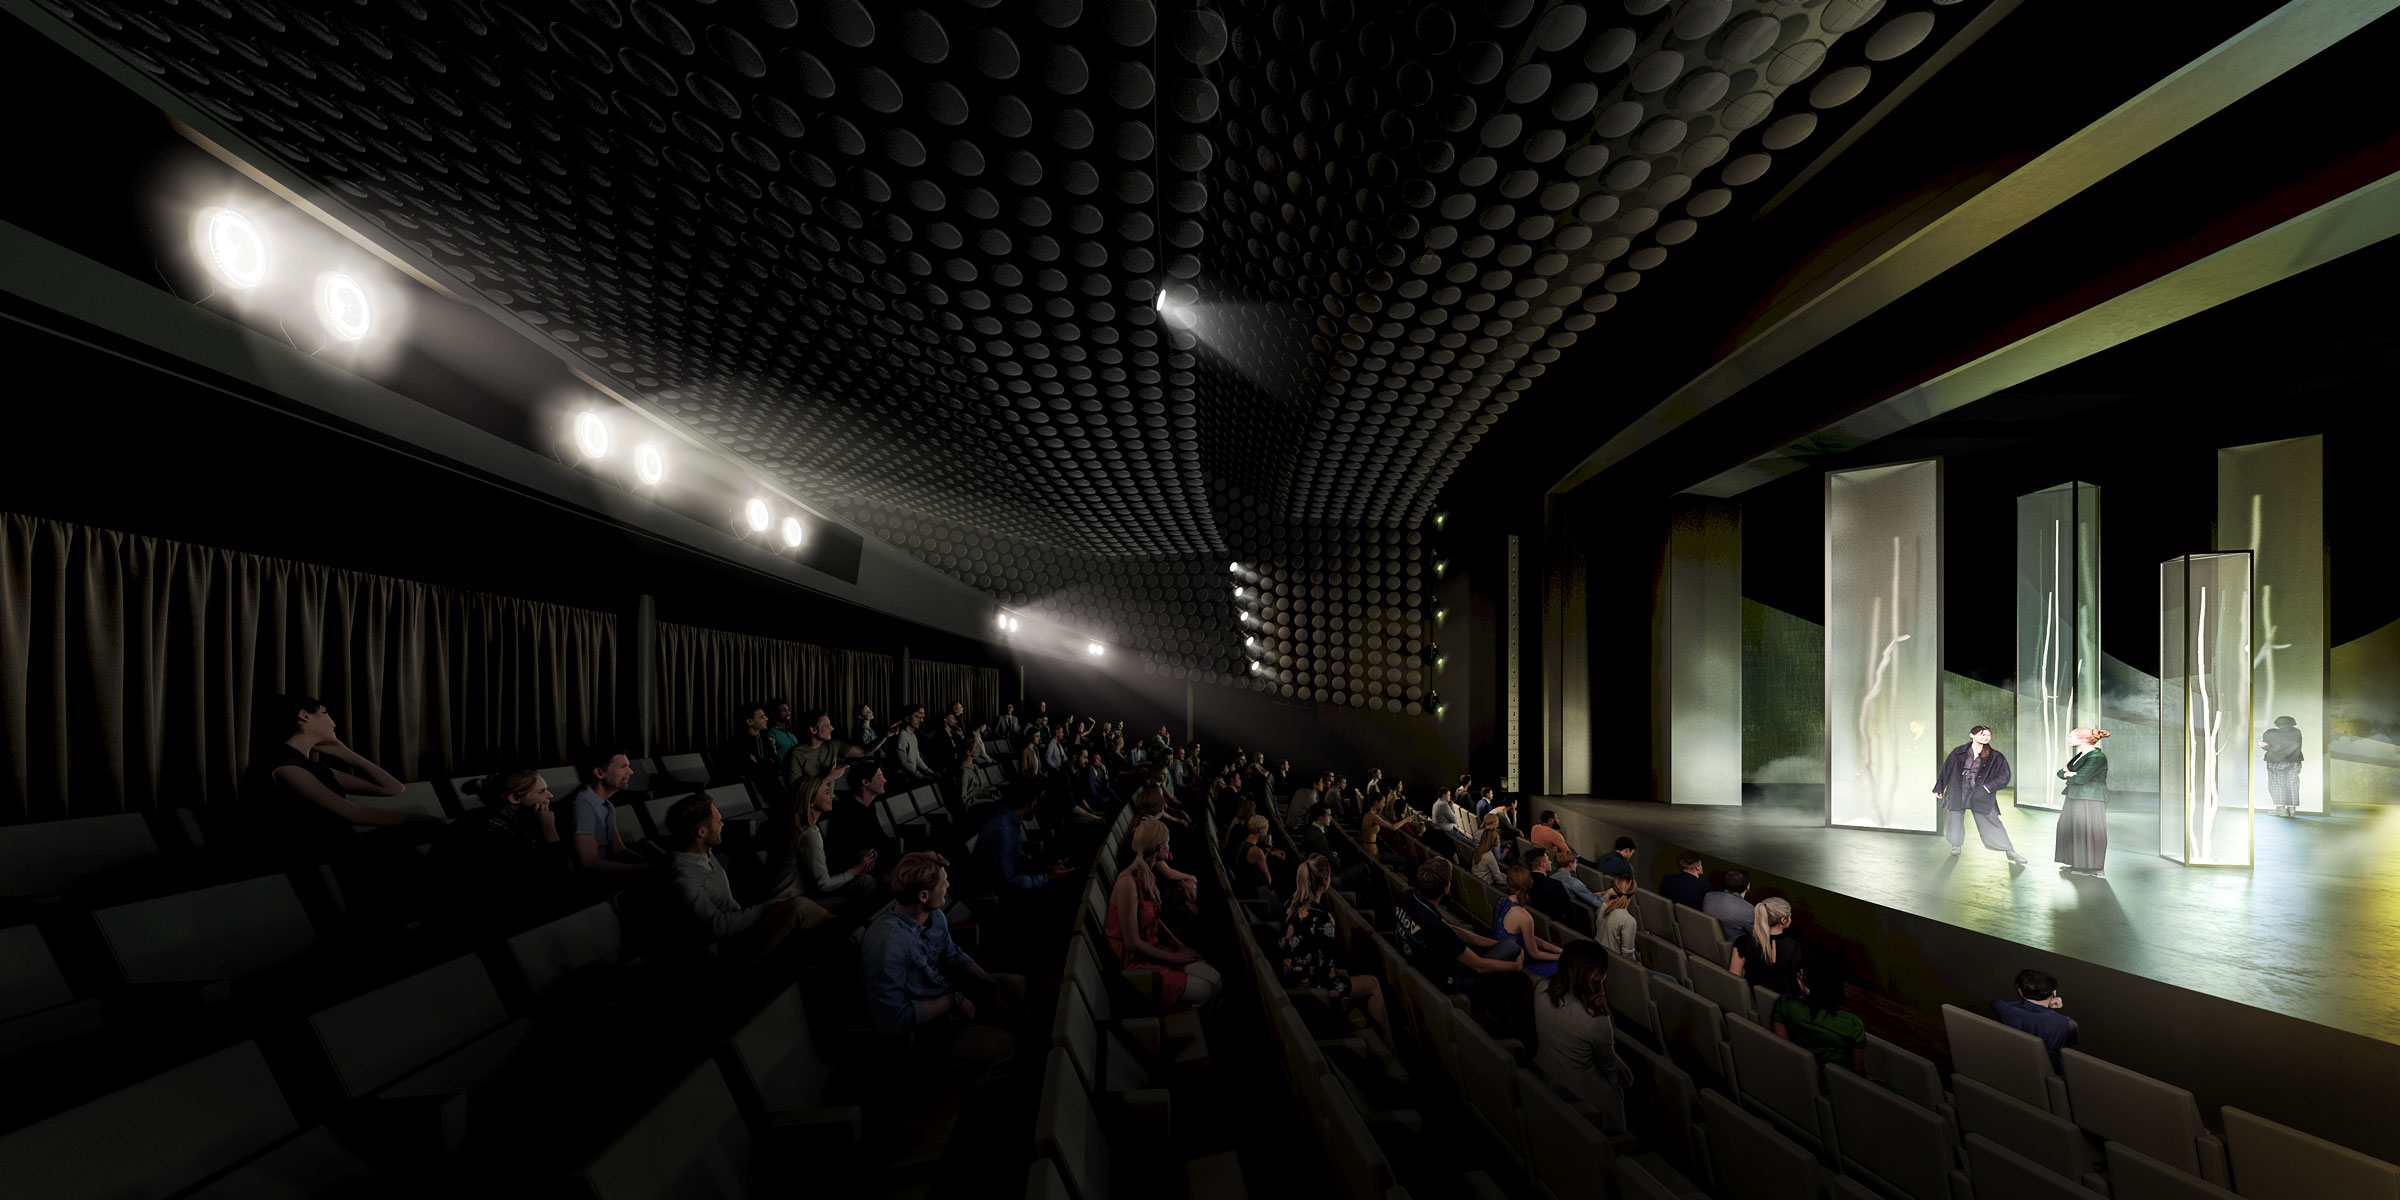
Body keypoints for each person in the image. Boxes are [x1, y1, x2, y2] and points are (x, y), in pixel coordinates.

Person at [861, 851, 1026, 1080]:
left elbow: (953, 954)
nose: (948, 884)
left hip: (946, 993)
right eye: (943, 881)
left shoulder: (935, 915)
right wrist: (952, 1001)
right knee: (1007, 1050)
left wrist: (989, 983)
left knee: (1018, 986)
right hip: (925, 1030)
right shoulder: (888, 944)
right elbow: (894, 1019)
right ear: (923, 896)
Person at [253, 694, 432, 855]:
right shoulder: (285, 766)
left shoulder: (315, 768)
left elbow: (392, 788)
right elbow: (356, 814)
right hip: (321, 856)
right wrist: (425, 820)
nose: (333, 722)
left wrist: (343, 751)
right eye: (325, 713)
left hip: (342, 848)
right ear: (304, 715)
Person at [660, 793, 827, 965]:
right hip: (728, 950)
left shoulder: (702, 851)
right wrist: (769, 905)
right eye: (718, 821)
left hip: (742, 928)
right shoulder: (684, 876)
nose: (722, 824)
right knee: (798, 907)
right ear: (701, 832)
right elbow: (718, 927)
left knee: (810, 922)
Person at [1395, 858, 1526, 1036]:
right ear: (1446, 888)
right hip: (1448, 983)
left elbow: (1452, 929)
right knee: (1512, 952)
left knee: (1502, 946)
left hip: (1419, 965)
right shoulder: (1438, 930)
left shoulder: (1408, 898)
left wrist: (1494, 943)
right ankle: (1508, 1029)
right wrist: (1515, 966)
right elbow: (1478, 966)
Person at [1105, 821, 1222, 1008]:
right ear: (1160, 847)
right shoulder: (1127, 883)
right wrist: (1175, 958)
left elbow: (1155, 921)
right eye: (1167, 843)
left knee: (1215, 979)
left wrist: (1179, 946)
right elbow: (1132, 943)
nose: (1169, 847)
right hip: (1134, 960)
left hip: (1153, 945)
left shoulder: (1147, 874)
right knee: (1206, 991)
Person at [1278, 854, 1391, 1042]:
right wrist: (1338, 974)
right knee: (1372, 982)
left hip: (1291, 976)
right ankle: (1390, 1048)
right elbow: (1327, 973)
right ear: (1325, 880)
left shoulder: (1290, 904)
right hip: (1315, 991)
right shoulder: (1324, 919)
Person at [1532, 941, 1629, 1133]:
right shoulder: (1596, 1020)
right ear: (1597, 976)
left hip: (1542, 1076)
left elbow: (1563, 1029)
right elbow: (1610, 1074)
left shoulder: (1540, 991)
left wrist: (1616, 1060)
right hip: (1580, 1097)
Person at [765, 771, 878, 919]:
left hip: (803, 894)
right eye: (826, 793)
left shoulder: (798, 827)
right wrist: (856, 869)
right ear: (811, 802)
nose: (832, 796)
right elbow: (823, 884)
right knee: (863, 891)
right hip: (794, 903)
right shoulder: (809, 834)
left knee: (865, 881)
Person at [1933, 724, 2027, 862]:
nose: (1986, 737)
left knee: (1991, 820)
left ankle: (2009, 850)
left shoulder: (1995, 756)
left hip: (1981, 792)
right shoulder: (1958, 752)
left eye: (1988, 735)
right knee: (1955, 818)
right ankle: (1956, 844)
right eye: (1982, 734)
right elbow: (1946, 770)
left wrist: (1987, 788)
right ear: (1972, 735)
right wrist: (1939, 787)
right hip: (1958, 789)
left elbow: (2004, 776)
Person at [1773, 954, 1867, 1073]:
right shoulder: (1853, 1024)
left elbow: (1784, 1048)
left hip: (1799, 1072)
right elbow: (1859, 1071)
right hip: (1840, 1082)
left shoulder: (1784, 1003)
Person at [564, 749, 651, 874]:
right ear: (600, 773)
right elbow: (589, 864)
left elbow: (619, 850)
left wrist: (653, 863)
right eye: (623, 767)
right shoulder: (581, 806)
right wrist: (652, 869)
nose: (630, 772)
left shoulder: (607, 806)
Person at [977, 786, 1070, 892]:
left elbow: (1017, 859)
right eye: (1036, 800)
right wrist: (1046, 877)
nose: (1036, 804)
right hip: (1000, 893)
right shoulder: (1004, 829)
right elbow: (1007, 881)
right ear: (1031, 802)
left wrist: (1047, 869)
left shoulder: (1009, 819)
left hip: (1012, 880)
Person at [1992, 968, 2080, 1072]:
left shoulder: (2000, 1007)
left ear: (2020, 991)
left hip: (2009, 1064)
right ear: (2054, 993)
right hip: (2050, 1072)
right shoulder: (2068, 1024)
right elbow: (2068, 1044)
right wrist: (2050, 1008)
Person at [2054, 728, 2112, 876]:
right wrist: (2069, 773)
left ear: (2083, 740)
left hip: (2090, 798)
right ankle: (2077, 864)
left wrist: (2071, 774)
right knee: (2072, 828)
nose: (2068, 738)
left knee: (2088, 831)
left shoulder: (2097, 757)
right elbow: (2061, 772)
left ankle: (2092, 868)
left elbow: (2080, 778)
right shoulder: (2081, 755)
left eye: (2071, 736)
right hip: (2076, 795)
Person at [781, 709, 881, 794]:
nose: (832, 728)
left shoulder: (833, 745)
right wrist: (829, 778)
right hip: (807, 808)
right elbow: (796, 791)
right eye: (827, 725)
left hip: (828, 802)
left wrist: (885, 735)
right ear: (814, 730)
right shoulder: (796, 755)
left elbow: (864, 751)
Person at [826, 760, 901, 871]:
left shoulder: (869, 806)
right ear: (865, 782)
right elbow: (856, 853)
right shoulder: (846, 813)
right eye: (879, 776)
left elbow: (880, 838)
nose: (884, 780)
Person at [1494, 867, 1563, 978]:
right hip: (1519, 965)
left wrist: (1558, 950)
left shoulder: (1502, 901)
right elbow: (1534, 954)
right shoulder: (1524, 917)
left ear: (1508, 883)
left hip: (1505, 956)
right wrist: (1561, 956)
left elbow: (1528, 937)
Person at [1729, 897, 1802, 996]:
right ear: (1784, 920)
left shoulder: (1743, 942)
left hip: (1754, 1001)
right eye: (1790, 916)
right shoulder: (1796, 948)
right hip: (1785, 1007)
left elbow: (1734, 978)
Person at [724, 701, 783, 796]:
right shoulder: (737, 743)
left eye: (765, 716)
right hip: (751, 790)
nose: (766, 719)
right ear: (749, 721)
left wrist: (758, 761)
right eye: (761, 717)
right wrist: (767, 762)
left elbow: (776, 763)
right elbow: (747, 771)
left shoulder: (764, 738)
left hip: (772, 784)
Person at [1358, 793, 1411, 875]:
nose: (1384, 804)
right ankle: (1395, 877)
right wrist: (1406, 820)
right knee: (1404, 860)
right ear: (1376, 802)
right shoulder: (1373, 817)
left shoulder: (1368, 814)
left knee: (1392, 854)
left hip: (1371, 850)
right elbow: (1393, 827)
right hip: (1372, 853)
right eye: (1383, 802)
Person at [2261, 716, 2304, 817]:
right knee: (2292, 783)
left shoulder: (2271, 733)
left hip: (2276, 761)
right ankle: (2292, 810)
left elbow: (2266, 747)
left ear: (2277, 724)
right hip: (2295, 761)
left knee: (2277, 784)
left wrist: (2262, 745)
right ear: (2292, 723)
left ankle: (2281, 809)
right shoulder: (2297, 732)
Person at [1234, 814, 1278, 906]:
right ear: (1260, 830)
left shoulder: (1240, 844)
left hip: (1238, 887)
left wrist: (1266, 853)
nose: (1266, 833)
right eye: (1266, 830)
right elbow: (1268, 880)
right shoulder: (1257, 852)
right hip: (1250, 894)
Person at [887, 704, 937, 783]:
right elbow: (903, 764)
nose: (921, 720)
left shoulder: (913, 735)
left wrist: (931, 772)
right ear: (907, 719)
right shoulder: (902, 735)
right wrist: (921, 776)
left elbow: (917, 759)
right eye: (917, 717)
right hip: (903, 779)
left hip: (912, 775)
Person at [1703, 870, 1756, 941]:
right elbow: (1756, 936)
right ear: (1748, 886)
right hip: (1733, 949)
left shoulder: (1709, 896)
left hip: (1708, 940)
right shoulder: (1749, 910)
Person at [1598, 873, 1639, 957]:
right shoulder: (1628, 920)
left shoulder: (1603, 906)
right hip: (1615, 963)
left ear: (1614, 890)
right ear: (1632, 894)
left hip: (1599, 956)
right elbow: (1627, 955)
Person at [765, 699, 799, 766]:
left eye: (788, 710)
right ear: (773, 714)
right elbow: (772, 757)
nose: (788, 713)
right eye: (784, 710)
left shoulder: (791, 735)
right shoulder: (771, 733)